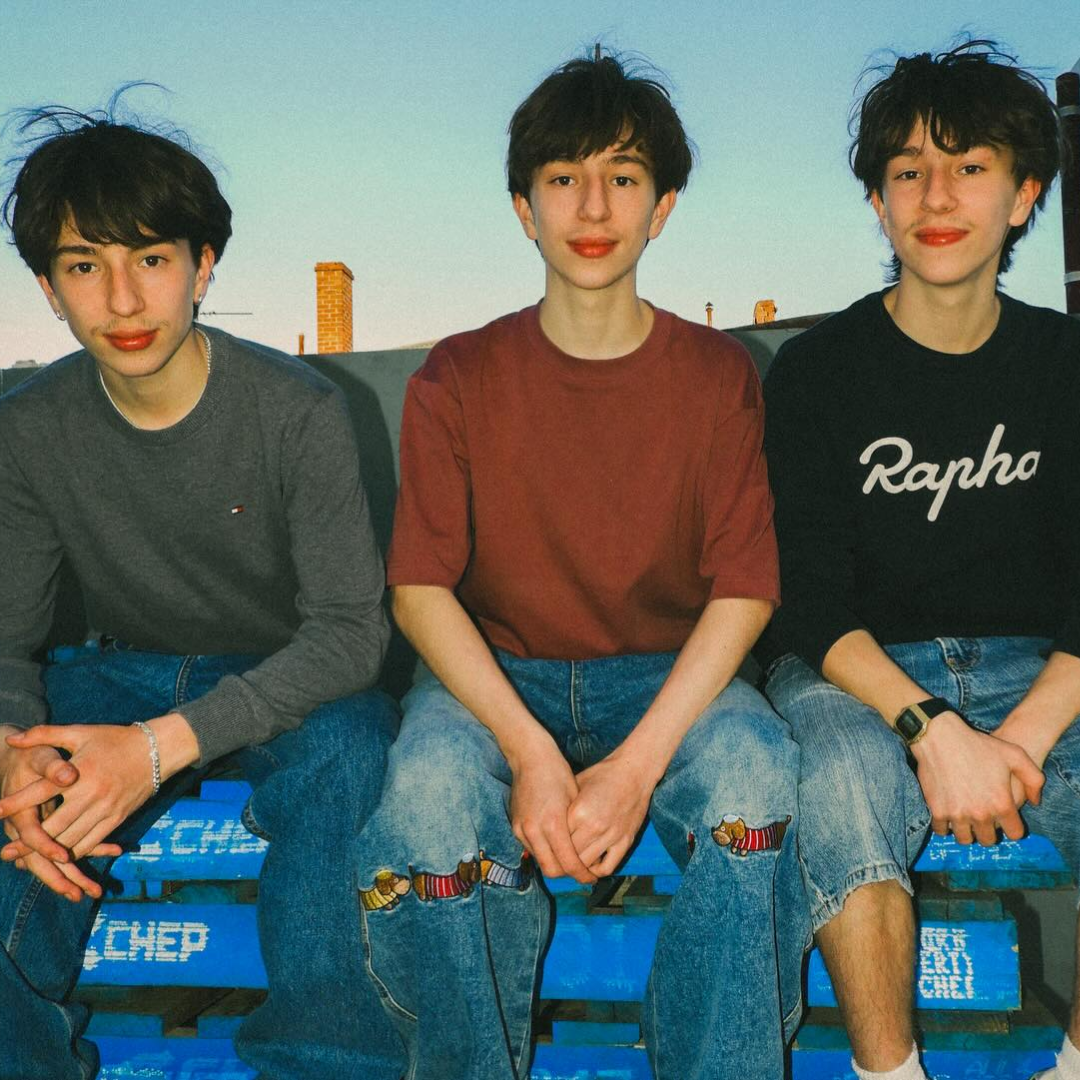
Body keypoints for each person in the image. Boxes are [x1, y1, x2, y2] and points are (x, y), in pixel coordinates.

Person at [356, 48, 806, 1080]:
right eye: (562, 179)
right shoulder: (459, 375)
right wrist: (530, 754)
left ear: (665, 207)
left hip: (666, 675)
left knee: (754, 769)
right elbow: (420, 588)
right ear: (523, 209)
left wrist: (636, 767)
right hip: (495, 676)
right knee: (425, 792)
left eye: (624, 177)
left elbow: (745, 588)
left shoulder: (716, 375)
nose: (591, 204)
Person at [0, 97, 403, 1080]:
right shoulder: (29, 425)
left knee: (351, 748)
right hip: (120, 671)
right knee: (25, 779)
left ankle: (324, 1064)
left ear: (203, 266)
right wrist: (12, 750)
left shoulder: (301, 412)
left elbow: (353, 636)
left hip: (288, 682)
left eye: (151, 259)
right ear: (50, 291)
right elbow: (6, 641)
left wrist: (157, 751)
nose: (123, 301)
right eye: (82, 267)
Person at [758, 40, 1079, 1080]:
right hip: (859, 672)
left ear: (1025, 194)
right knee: (842, 775)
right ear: (878, 202)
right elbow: (805, 592)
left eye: (972, 164)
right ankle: (886, 1072)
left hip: (1040, 671)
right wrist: (933, 730)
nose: (937, 195)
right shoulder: (815, 373)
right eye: (908, 170)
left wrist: (1018, 737)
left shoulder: (1066, 365)